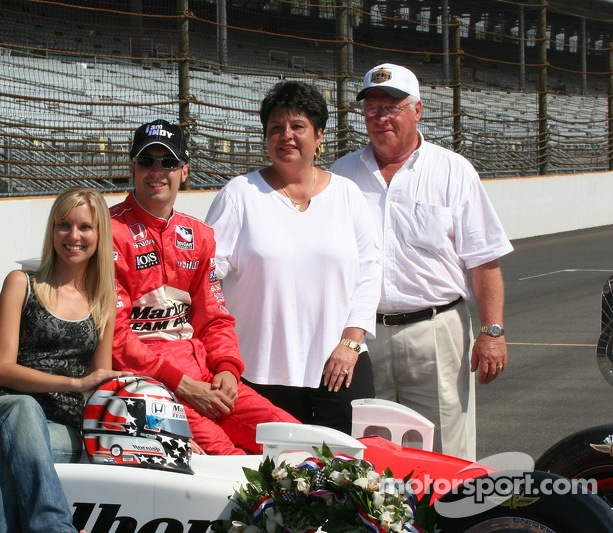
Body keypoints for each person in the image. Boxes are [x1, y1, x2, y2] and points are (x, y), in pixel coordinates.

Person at [330, 63, 514, 461]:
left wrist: (492, 331)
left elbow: (483, 259)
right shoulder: (340, 176)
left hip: (436, 332)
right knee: (368, 456)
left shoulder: (453, 171)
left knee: (447, 452)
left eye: (392, 107)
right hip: (363, 337)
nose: (381, 118)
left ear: (418, 110)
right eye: (372, 108)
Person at [110, 119, 299, 455]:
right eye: (146, 161)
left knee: (295, 441)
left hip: (205, 376)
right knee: (229, 461)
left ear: (184, 171)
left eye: (168, 162)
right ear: (132, 168)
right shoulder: (108, 231)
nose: (157, 171)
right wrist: (182, 384)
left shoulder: (199, 235)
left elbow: (214, 317)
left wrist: (227, 368)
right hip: (148, 385)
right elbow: (114, 336)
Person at [205, 81, 382, 435]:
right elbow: (207, 279)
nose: (286, 135)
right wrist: (221, 354)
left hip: (340, 367)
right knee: (270, 480)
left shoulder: (347, 195)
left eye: (297, 126)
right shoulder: (240, 195)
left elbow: (369, 271)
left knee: (349, 477)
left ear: (319, 136)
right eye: (275, 128)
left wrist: (351, 342)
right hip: (259, 372)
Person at [0, 187, 127, 533]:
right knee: (24, 410)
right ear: (51, 231)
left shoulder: (104, 299)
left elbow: (100, 378)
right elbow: (2, 370)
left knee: (15, 460)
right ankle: (55, 527)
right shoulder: (21, 283)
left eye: (85, 227)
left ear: (100, 234)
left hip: (60, 433)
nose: (73, 236)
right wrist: (72, 383)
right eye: (63, 225)